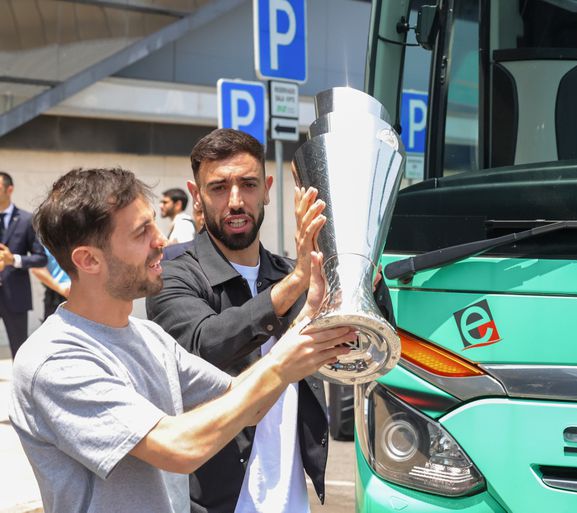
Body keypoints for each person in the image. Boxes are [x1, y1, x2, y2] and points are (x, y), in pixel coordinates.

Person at [8, 167, 354, 513]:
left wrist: (305, 322)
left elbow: (245, 404)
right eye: (142, 232)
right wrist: (282, 365)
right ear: (88, 260)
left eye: (154, 223)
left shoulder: (149, 337)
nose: (161, 240)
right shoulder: (54, 360)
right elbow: (180, 447)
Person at [146, 128, 394, 513]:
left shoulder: (293, 274)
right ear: (196, 196)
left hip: (291, 499)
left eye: (248, 185)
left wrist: (362, 283)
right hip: (212, 503)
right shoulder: (174, 274)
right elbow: (203, 344)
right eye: (218, 187)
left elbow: (359, 356)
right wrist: (295, 283)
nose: (235, 201)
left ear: (268, 189)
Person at [0, 171, 47, 357]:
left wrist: (14, 260)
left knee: (19, 350)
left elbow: (40, 258)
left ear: (9, 190)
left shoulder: (27, 220)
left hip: (15, 296)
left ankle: (20, 386)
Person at [31, 247, 71, 320]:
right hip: (56, 294)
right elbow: (36, 268)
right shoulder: (46, 242)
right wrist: (61, 289)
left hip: (85, 293)